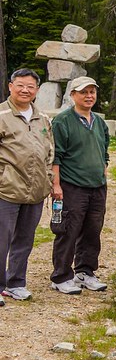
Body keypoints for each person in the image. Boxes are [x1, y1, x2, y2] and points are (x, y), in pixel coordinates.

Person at [49, 77, 109, 296]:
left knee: (93, 231)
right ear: (73, 94)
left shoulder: (99, 122)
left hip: (97, 187)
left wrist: (102, 175)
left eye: (92, 92)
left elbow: (104, 153)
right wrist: (56, 185)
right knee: (68, 230)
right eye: (84, 92)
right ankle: (61, 276)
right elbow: (56, 157)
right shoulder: (63, 121)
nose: (89, 96)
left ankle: (85, 272)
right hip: (71, 186)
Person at [0, 69, 54, 305]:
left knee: (24, 239)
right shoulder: (1, 114)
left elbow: (49, 152)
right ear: (10, 86)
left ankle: (16, 283)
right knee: (2, 239)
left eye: (30, 87)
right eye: (20, 85)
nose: (25, 90)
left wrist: (49, 180)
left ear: (37, 90)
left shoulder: (42, 118)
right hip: (7, 189)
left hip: (35, 191)